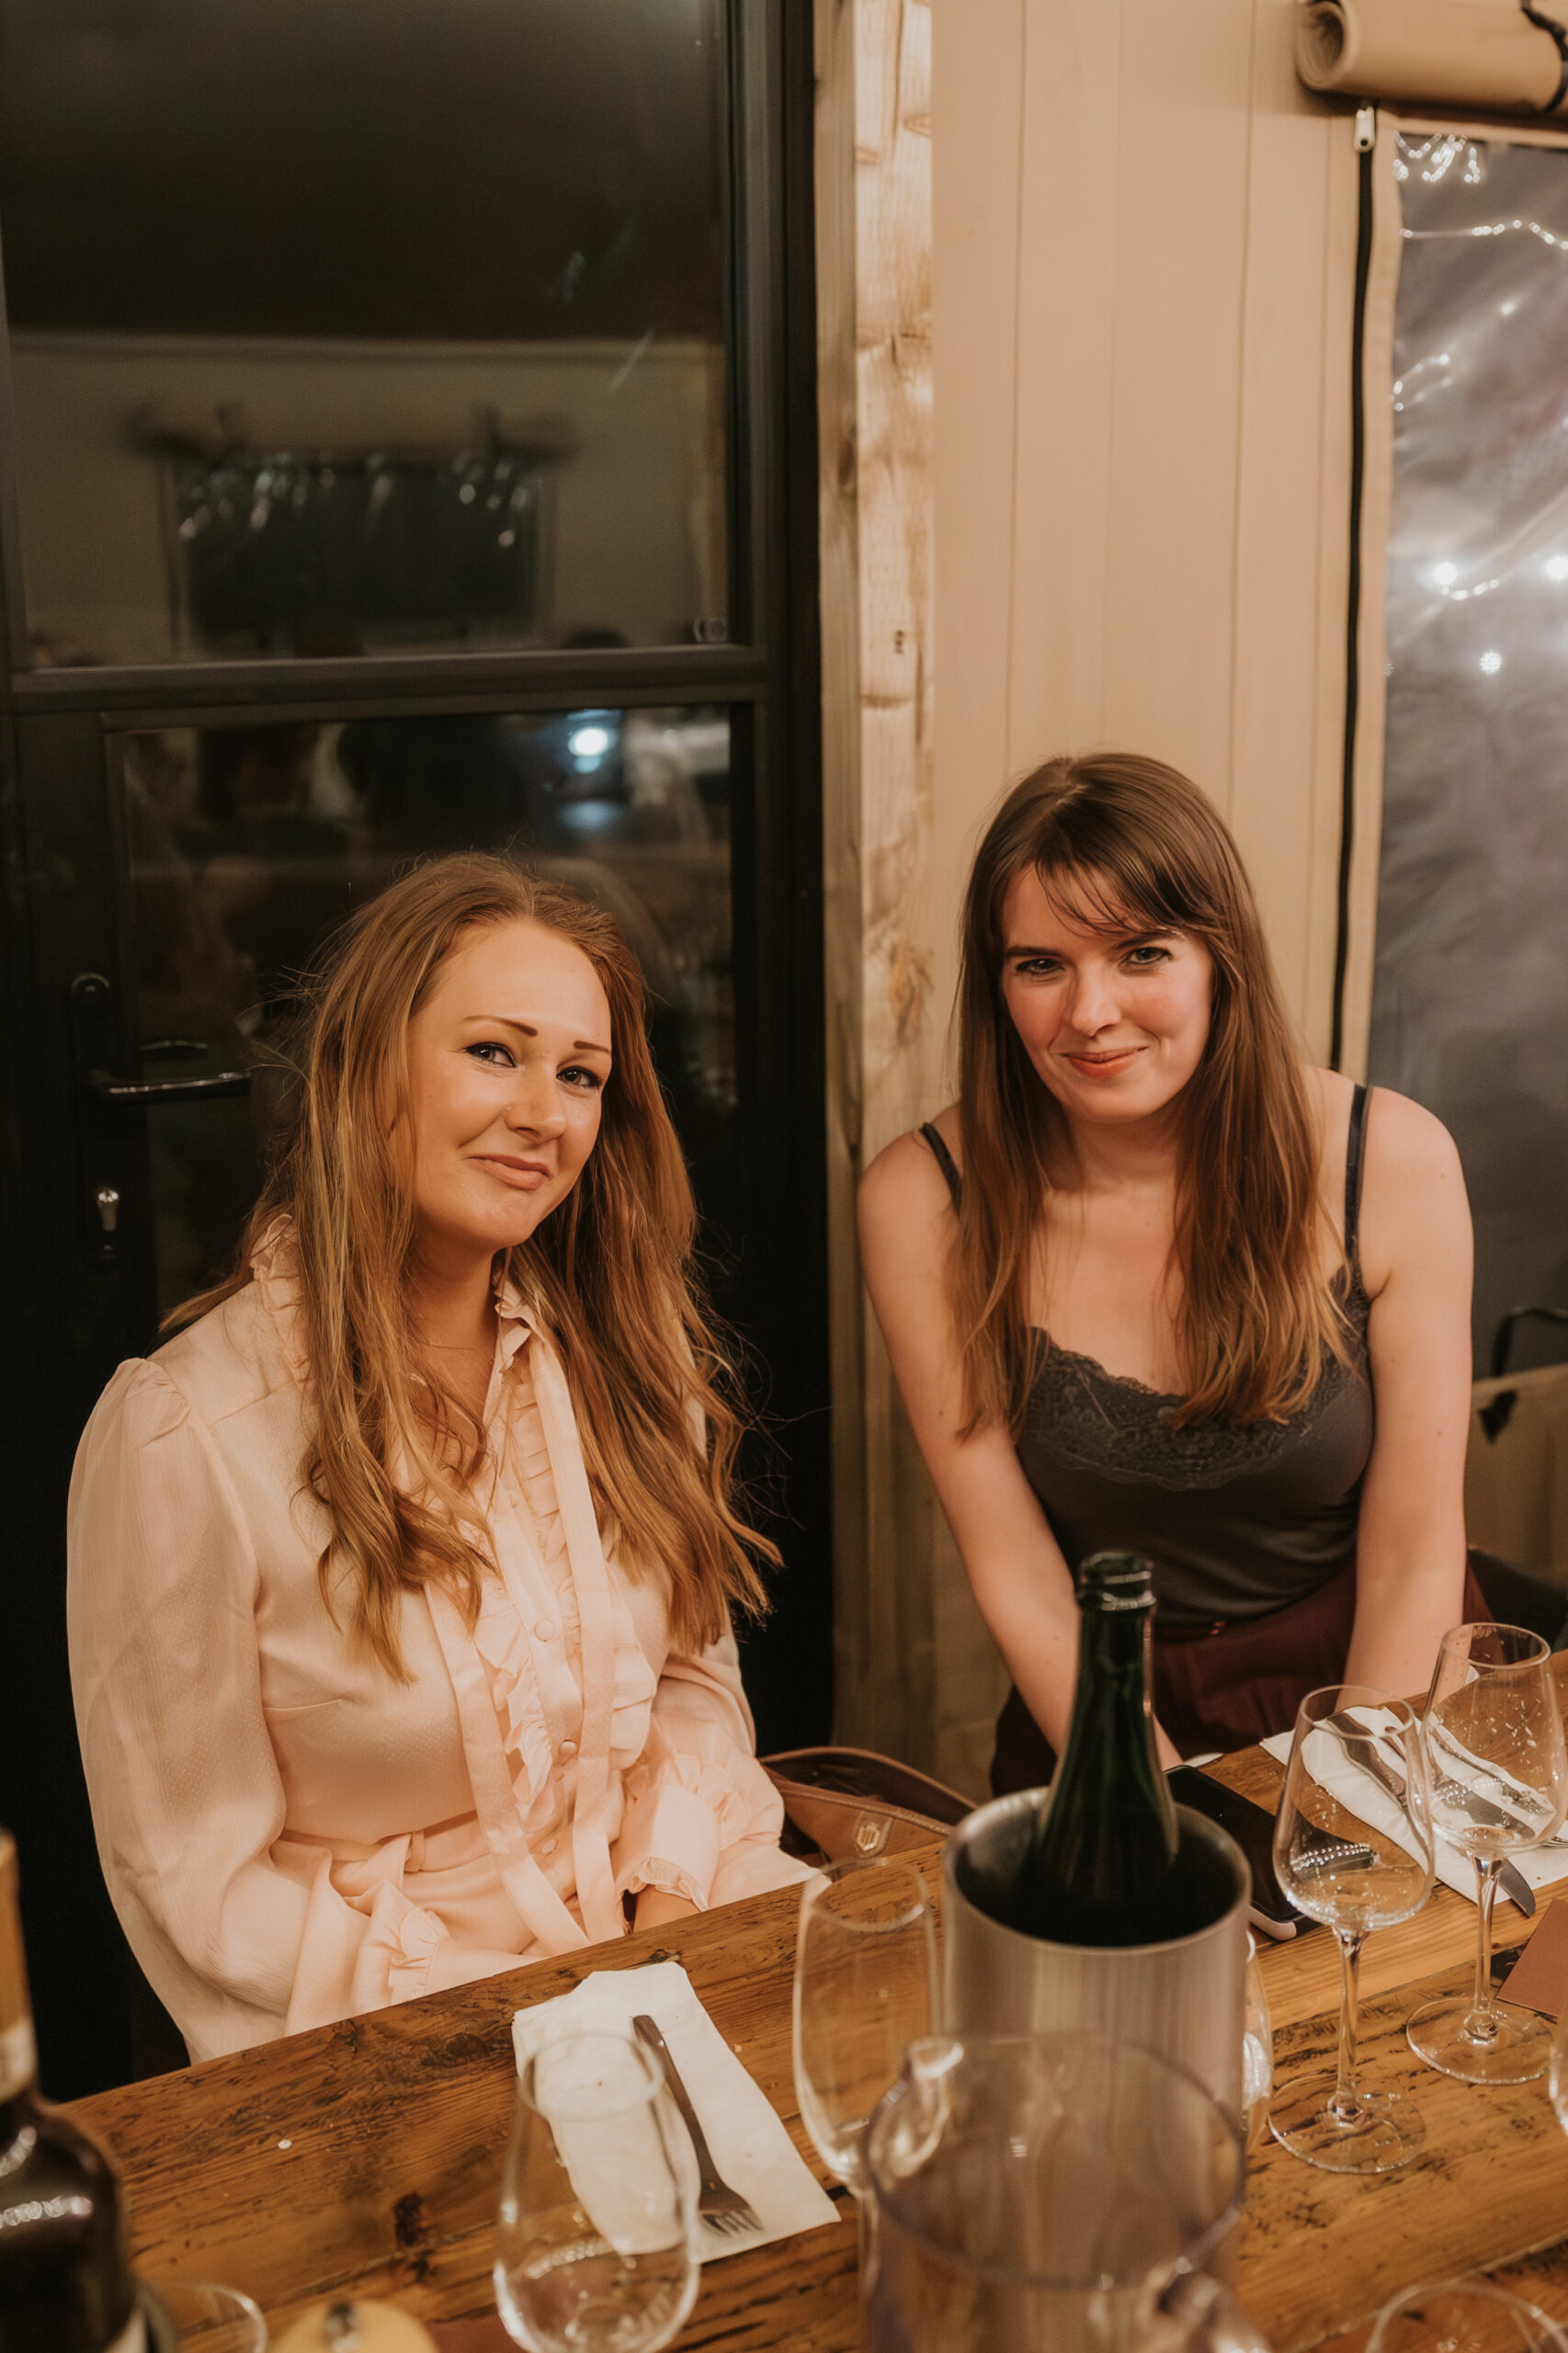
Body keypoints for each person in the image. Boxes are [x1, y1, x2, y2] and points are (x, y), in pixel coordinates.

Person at [68, 855, 810, 2060]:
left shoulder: (628, 1362)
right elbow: (192, 1885)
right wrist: (531, 2024)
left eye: (581, 1075)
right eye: (493, 1052)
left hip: (675, 1933)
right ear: (369, 1067)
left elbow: (690, 1678)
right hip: (397, 2035)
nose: (546, 1111)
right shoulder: (186, 1437)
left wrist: (664, 1920)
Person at [858, 753, 1480, 1790]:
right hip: (1098, 1708)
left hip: (1376, 1682)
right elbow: (1014, 1571)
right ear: (996, 983)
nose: (1089, 1013)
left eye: (1140, 953)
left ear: (1218, 956)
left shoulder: (1390, 1159)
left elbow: (1417, 1546)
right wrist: (1163, 1811)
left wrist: (1349, 1804)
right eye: (1039, 965)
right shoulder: (921, 1198)